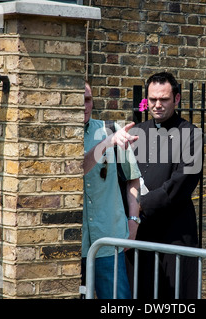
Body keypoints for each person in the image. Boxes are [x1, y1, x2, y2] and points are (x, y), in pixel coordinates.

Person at [126, 72, 203, 299]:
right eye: (152, 100)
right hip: (140, 231)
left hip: (174, 232)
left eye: (164, 99)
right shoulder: (137, 133)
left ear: (176, 99)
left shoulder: (191, 134)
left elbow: (182, 182)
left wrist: (140, 204)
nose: (157, 105)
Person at [82, 80, 141, 299]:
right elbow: (78, 169)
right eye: (79, 101)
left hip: (108, 243)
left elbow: (133, 181)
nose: (84, 106)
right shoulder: (60, 138)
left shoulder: (110, 130)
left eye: (88, 100)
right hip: (71, 246)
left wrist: (133, 220)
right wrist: (107, 143)